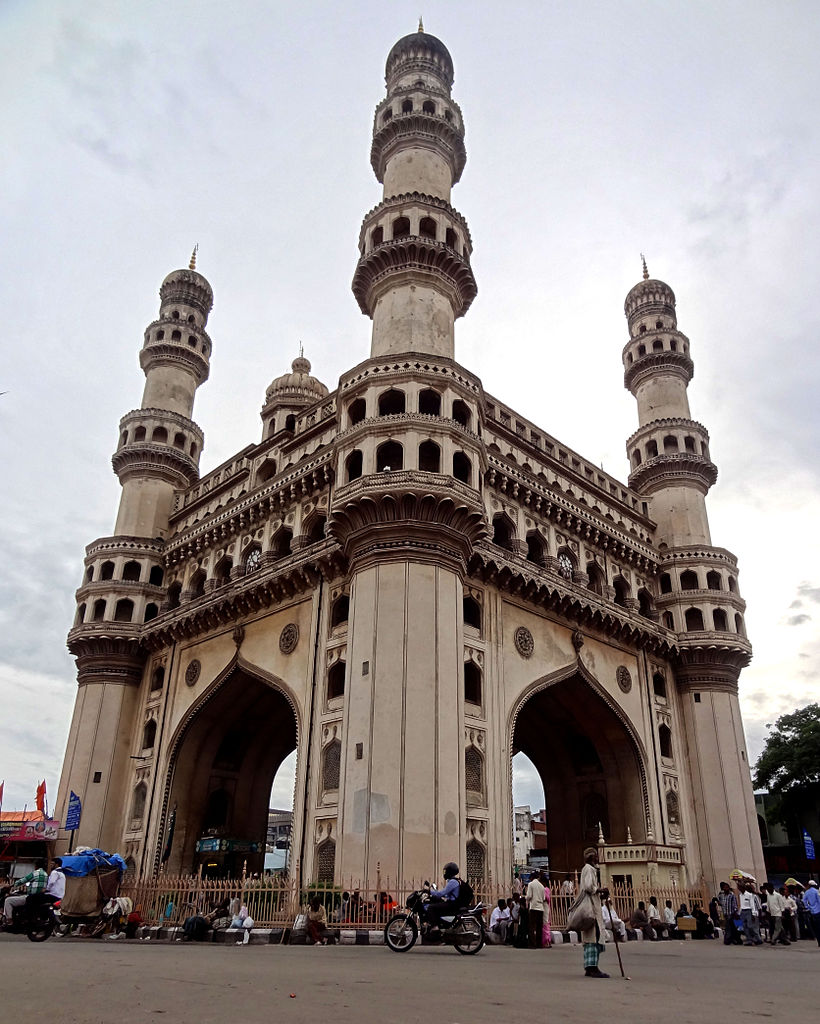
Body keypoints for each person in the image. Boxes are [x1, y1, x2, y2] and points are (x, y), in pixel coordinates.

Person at [579, 847, 607, 978]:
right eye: (595, 856)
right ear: (591, 858)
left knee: (591, 936)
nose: (597, 858)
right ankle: (592, 967)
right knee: (593, 937)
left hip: (591, 904)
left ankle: (590, 966)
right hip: (591, 907)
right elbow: (589, 887)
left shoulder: (588, 869)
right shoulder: (589, 869)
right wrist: (600, 890)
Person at [2, 859, 48, 926]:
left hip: (31, 897)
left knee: (8, 900)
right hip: (38, 897)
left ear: (36, 866)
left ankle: (9, 920)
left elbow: (23, 880)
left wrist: (12, 885)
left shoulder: (35, 873)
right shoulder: (45, 874)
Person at [424, 862, 463, 930]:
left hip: (452, 904)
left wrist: (429, 891)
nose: (445, 873)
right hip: (451, 903)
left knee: (431, 907)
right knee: (436, 902)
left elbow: (441, 893)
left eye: (446, 871)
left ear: (450, 872)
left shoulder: (452, 882)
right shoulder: (452, 881)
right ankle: (440, 923)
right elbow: (445, 894)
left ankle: (435, 927)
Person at [737, 880, 763, 945]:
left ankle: (758, 939)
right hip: (743, 911)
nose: (739, 888)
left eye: (739, 887)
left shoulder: (750, 895)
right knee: (744, 927)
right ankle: (749, 940)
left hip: (749, 911)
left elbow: (752, 905)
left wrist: (753, 914)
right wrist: (739, 913)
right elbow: (741, 905)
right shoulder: (740, 895)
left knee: (751, 926)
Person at [526, 870, 547, 948]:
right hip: (540, 908)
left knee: (532, 926)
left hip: (533, 907)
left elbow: (529, 896)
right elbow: (543, 898)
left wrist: (526, 899)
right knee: (539, 927)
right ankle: (539, 943)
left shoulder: (531, 884)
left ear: (532, 877)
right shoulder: (541, 886)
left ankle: (532, 944)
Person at [803, 879, 820, 946]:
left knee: (816, 928)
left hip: (812, 912)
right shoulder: (816, 892)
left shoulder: (806, 892)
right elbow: (819, 901)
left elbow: (804, 901)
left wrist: (808, 907)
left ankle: (819, 942)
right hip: (819, 911)